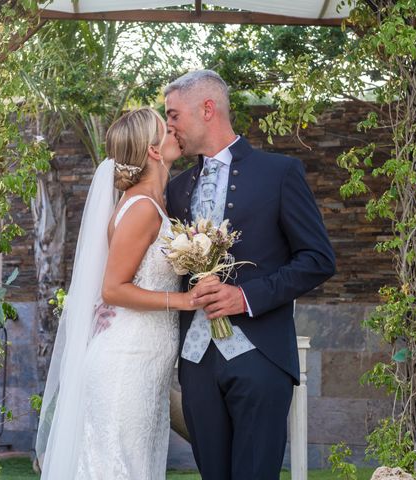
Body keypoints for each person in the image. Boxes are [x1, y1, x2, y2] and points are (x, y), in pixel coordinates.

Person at [165, 70, 336, 480]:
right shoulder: (175, 187)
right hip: (196, 362)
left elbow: (318, 258)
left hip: (261, 356)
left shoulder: (280, 172)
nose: (168, 126)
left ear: (207, 109)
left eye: (173, 115)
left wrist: (246, 297)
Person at [36, 107, 210, 479]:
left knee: (136, 464)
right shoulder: (142, 208)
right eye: (167, 129)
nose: (175, 132)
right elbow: (113, 288)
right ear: (152, 149)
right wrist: (182, 300)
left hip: (147, 359)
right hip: (126, 360)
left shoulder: (154, 205)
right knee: (117, 466)